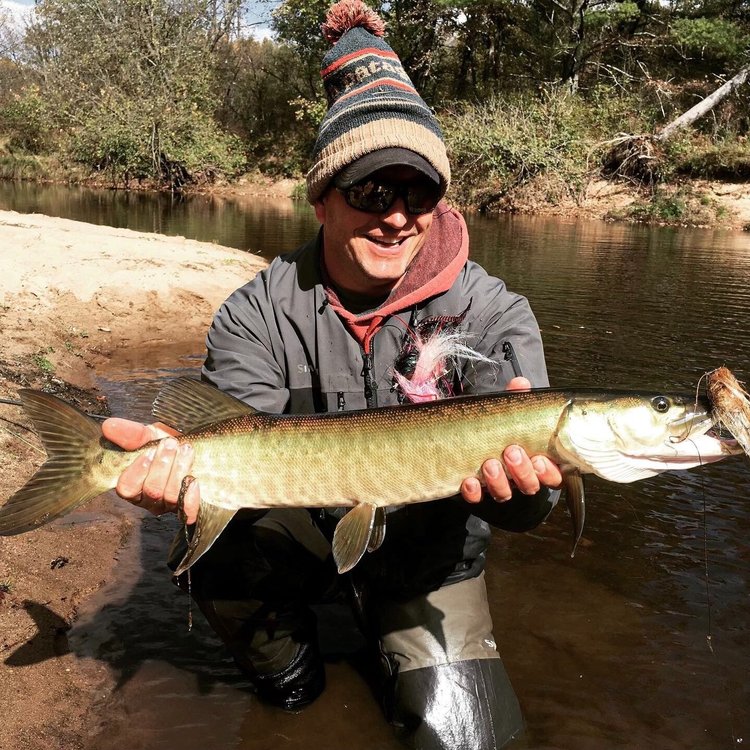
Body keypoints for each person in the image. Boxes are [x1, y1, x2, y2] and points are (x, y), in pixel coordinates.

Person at [103, 1, 562, 747]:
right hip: (303, 539)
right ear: (323, 198)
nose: (396, 217)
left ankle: (389, 639)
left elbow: (527, 508)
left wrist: (528, 496)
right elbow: (222, 434)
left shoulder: (494, 311)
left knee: (471, 742)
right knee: (215, 550)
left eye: (418, 193)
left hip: (428, 565)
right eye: (372, 190)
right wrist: (170, 468)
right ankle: (290, 679)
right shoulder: (259, 310)